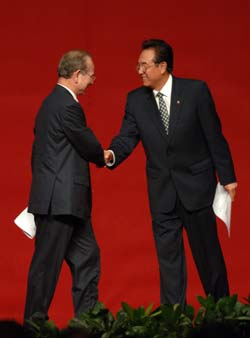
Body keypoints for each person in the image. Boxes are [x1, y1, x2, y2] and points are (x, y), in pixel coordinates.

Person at [105, 39, 237, 306]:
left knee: (209, 260)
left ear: (162, 66)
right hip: (162, 193)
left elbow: (214, 136)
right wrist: (112, 154)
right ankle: (173, 322)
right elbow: (127, 137)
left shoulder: (196, 91)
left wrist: (228, 177)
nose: (139, 70)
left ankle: (224, 318)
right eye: (138, 64)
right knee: (170, 267)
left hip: (196, 189)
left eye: (144, 64)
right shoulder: (136, 100)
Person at [24, 50, 106, 321]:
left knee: (88, 258)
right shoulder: (67, 105)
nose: (93, 80)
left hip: (65, 202)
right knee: (46, 268)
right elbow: (87, 143)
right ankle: (33, 326)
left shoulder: (49, 104)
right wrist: (103, 155)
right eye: (91, 74)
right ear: (77, 75)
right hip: (61, 203)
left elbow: (38, 154)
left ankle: (85, 324)